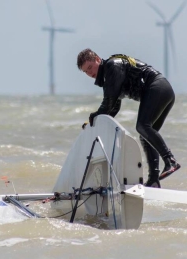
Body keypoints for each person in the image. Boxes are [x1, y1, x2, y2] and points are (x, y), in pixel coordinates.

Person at [77, 48, 180, 188]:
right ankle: (154, 180)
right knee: (145, 134)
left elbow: (108, 102)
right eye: (86, 71)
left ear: (97, 59)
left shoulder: (112, 66)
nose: (89, 73)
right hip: (163, 91)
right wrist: (96, 123)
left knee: (142, 126)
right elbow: (114, 106)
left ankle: (170, 161)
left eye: (90, 67)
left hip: (158, 87)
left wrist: (94, 117)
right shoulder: (108, 75)